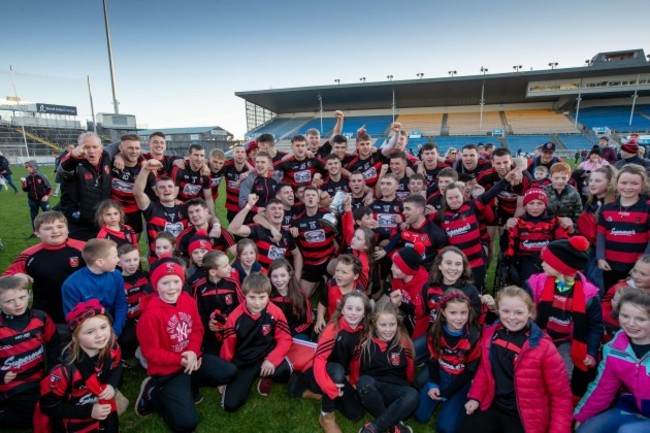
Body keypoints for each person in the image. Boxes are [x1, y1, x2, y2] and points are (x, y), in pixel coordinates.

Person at [135, 256, 237, 431]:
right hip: (168, 369)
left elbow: (197, 329)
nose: (172, 287)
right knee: (186, 425)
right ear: (155, 285)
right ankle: (153, 393)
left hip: (191, 357)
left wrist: (193, 352)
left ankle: (190, 384)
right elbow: (152, 353)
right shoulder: (150, 315)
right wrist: (182, 359)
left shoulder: (187, 299)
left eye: (176, 281)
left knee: (229, 372)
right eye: (165, 283)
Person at [461, 285, 573, 433]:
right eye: (505, 311)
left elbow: (561, 397)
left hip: (524, 415)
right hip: (493, 403)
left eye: (519, 312)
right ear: (497, 310)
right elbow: (484, 369)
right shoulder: (490, 334)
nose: (512, 318)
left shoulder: (544, 348)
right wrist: (475, 397)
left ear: (530, 313)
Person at [525, 236, 603, 402]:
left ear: (561, 267)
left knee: (561, 375)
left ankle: (558, 403)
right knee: (532, 372)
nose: (542, 264)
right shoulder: (536, 284)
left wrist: (591, 352)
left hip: (568, 342)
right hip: (540, 336)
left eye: (547, 261)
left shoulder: (588, 296)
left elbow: (595, 326)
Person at [289, 292, 370, 433]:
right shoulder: (332, 330)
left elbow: (355, 360)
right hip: (315, 371)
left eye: (358, 309)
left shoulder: (362, 332)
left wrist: (353, 381)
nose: (353, 313)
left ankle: (314, 392)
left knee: (356, 413)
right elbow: (319, 360)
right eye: (349, 308)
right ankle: (326, 416)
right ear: (342, 309)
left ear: (364, 314)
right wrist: (328, 386)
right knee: (337, 371)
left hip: (336, 377)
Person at [39, 299, 122, 433]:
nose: (100, 335)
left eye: (103, 327)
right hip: (72, 420)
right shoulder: (63, 370)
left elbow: (117, 367)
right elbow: (49, 406)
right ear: (75, 337)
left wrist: (112, 385)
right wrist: (89, 411)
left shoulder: (112, 347)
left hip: (102, 407)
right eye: (90, 332)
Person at [575, 287, 650, 432]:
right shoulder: (615, 348)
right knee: (586, 430)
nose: (631, 324)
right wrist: (581, 417)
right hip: (630, 408)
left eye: (641, 319)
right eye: (625, 316)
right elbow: (603, 387)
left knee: (628, 431)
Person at [220, 273, 293, 411]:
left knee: (286, 371)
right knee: (230, 405)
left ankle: (265, 375)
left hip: (265, 356)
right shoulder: (234, 317)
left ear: (268, 296)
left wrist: (272, 359)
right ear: (244, 295)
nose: (258, 302)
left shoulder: (275, 312)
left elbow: (285, 338)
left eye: (262, 297)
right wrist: (223, 375)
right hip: (244, 362)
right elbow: (227, 347)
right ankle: (257, 375)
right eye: (252, 297)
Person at [3, 211, 85, 327]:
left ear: (68, 229)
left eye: (60, 226)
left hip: (82, 305)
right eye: (48, 228)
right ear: (37, 233)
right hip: (46, 309)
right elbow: (5, 278)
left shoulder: (84, 248)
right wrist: (16, 276)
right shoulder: (28, 255)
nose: (55, 231)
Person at [414, 289, 480, 433]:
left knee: (445, 428)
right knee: (420, 416)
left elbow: (470, 370)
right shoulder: (435, 331)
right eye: (453, 313)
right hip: (442, 374)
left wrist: (448, 393)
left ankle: (456, 403)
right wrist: (434, 384)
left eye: (463, 313)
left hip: (461, 382)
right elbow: (432, 360)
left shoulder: (474, 336)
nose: (459, 318)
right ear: (443, 312)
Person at [0, 276, 59, 429]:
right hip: (12, 384)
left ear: (29, 295)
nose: (18, 303)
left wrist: (52, 368)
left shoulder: (41, 317)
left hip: (37, 379)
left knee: (53, 407)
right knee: (34, 417)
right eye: (9, 301)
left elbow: (53, 342)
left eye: (22, 297)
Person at [356, 302, 418, 433]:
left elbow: (410, 372)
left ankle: (374, 428)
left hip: (395, 390)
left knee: (412, 395)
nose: (388, 329)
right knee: (364, 383)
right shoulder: (365, 342)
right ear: (374, 324)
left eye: (392, 324)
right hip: (373, 388)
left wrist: (408, 387)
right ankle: (394, 425)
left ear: (398, 323)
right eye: (383, 325)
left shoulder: (404, 343)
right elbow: (356, 367)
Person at [597, 164, 650, 292]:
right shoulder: (607, 208)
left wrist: (642, 266)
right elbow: (601, 236)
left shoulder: (647, 209)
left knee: (635, 298)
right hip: (610, 265)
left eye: (634, 183)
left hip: (636, 269)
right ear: (616, 183)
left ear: (642, 185)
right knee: (612, 295)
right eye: (624, 182)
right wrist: (600, 258)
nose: (628, 187)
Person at [61, 238, 127, 337]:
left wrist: (116, 331)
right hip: (90, 332)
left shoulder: (116, 275)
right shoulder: (71, 285)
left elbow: (121, 303)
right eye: (115, 257)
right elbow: (74, 318)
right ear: (99, 262)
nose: (118, 260)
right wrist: (98, 336)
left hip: (113, 324)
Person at [503, 188, 569, 286]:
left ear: (545, 205)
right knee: (529, 282)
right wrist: (507, 229)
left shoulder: (554, 222)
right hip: (525, 259)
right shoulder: (518, 222)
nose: (535, 207)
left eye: (540, 203)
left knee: (554, 279)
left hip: (548, 260)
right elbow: (505, 245)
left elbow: (563, 243)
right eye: (531, 203)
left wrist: (569, 229)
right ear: (525, 205)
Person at [57, 132, 112, 241]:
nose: (91, 150)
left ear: (101, 148)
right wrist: (73, 157)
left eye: (95, 147)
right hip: (78, 224)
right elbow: (63, 170)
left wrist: (120, 156)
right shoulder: (74, 164)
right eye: (86, 147)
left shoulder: (106, 157)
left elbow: (125, 144)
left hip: (101, 222)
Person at [576, 165, 618, 294]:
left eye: (598, 181)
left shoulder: (614, 205)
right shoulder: (593, 202)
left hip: (608, 254)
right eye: (591, 180)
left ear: (610, 183)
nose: (592, 184)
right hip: (594, 251)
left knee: (596, 287)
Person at [192, 250, 243, 354]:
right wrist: (208, 323)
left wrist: (229, 321)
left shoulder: (233, 283)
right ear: (213, 272)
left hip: (231, 331)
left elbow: (241, 307)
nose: (230, 267)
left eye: (229, 263)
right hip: (209, 334)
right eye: (225, 266)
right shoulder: (198, 287)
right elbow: (196, 312)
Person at [116, 244, 151, 362]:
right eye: (127, 260)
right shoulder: (116, 280)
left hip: (145, 315)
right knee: (127, 339)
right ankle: (127, 356)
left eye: (135, 259)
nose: (132, 263)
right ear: (118, 263)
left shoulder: (146, 275)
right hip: (126, 319)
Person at [601, 254, 650, 337]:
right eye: (635, 271)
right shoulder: (620, 288)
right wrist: (618, 313)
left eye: (643, 274)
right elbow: (602, 311)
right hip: (615, 335)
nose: (636, 276)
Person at [316, 254, 365, 333]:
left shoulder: (360, 293)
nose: (338, 275)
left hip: (350, 329)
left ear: (355, 276)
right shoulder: (330, 285)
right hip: (330, 324)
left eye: (344, 272)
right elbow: (323, 303)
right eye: (337, 270)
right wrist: (320, 318)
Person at [268, 259, 313, 340]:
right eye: (275, 276)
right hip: (275, 334)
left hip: (295, 333)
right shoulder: (267, 296)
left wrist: (289, 334)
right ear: (270, 277)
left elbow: (308, 322)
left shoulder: (300, 295)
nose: (279, 280)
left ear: (290, 275)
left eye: (283, 275)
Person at [542, 162, 583, 227]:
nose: (560, 181)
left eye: (564, 178)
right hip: (546, 227)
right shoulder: (543, 192)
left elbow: (578, 214)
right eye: (556, 178)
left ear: (569, 177)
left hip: (566, 228)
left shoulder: (574, 193)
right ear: (550, 177)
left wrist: (573, 228)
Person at [20, 159, 52, 233]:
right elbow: (25, 190)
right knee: (34, 216)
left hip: (43, 200)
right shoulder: (27, 177)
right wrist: (24, 184)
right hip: (32, 200)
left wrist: (46, 196)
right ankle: (36, 232)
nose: (28, 169)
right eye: (27, 167)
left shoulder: (41, 176)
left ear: (35, 167)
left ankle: (50, 229)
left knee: (48, 215)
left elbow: (50, 187)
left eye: (30, 167)